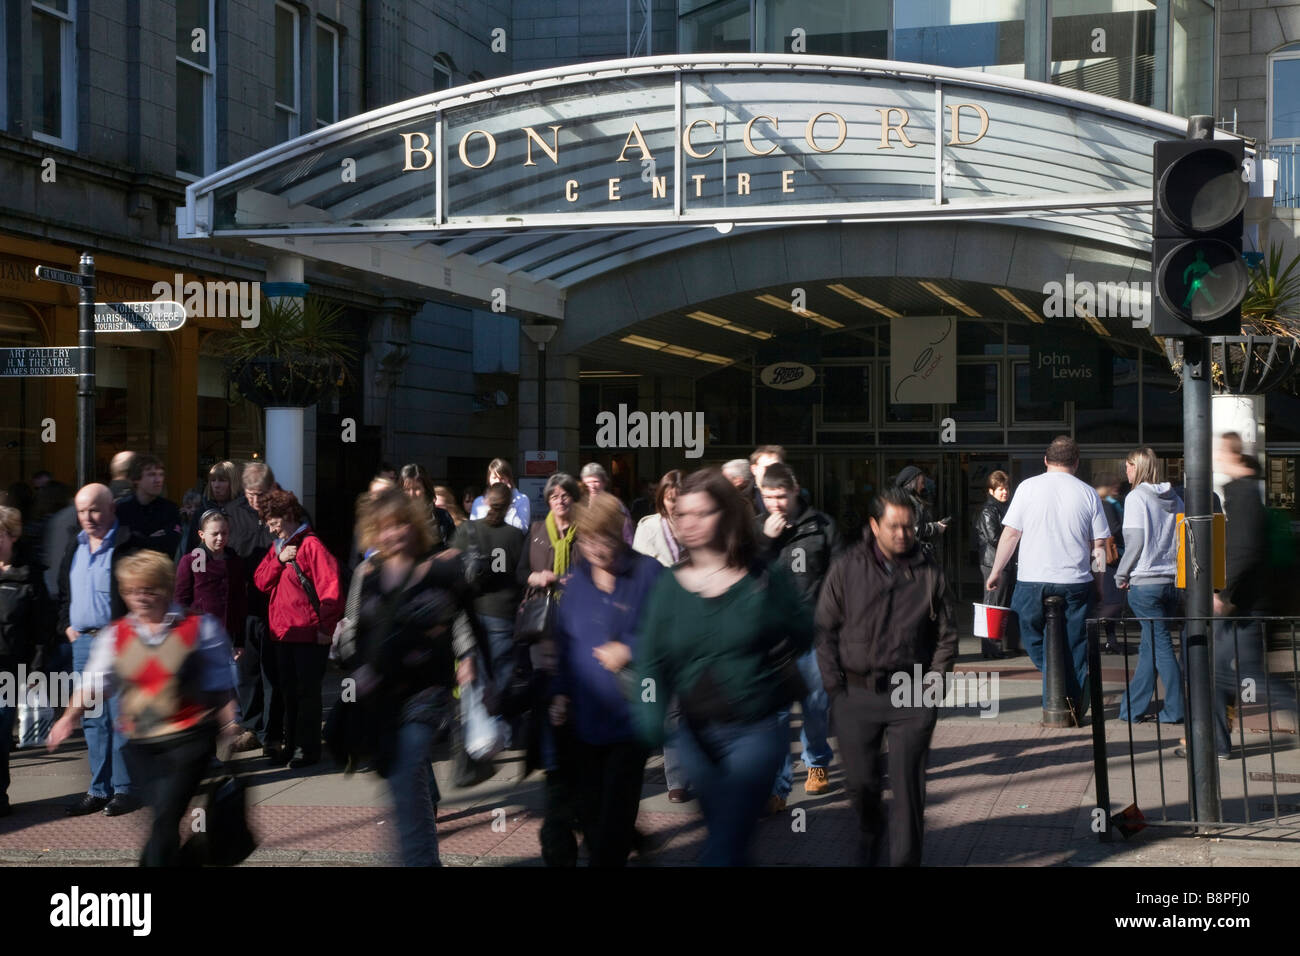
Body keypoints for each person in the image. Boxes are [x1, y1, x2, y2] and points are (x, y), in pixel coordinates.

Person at [634, 468, 813, 866]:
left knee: (727, 840)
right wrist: (649, 722)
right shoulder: (669, 587)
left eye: (703, 513)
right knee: (727, 834)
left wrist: (776, 626)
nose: (690, 524)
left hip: (756, 729)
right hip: (695, 736)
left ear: (727, 515)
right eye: (682, 515)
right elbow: (651, 659)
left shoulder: (762, 576)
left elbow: (803, 631)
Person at [48, 550, 239, 866]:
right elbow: (93, 682)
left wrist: (230, 723)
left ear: (165, 588)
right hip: (140, 746)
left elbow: (221, 681)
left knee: (165, 817)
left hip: (188, 741)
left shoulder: (199, 627)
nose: (141, 598)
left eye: (149, 589)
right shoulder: (115, 635)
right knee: (161, 820)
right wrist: (68, 718)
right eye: (133, 591)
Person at [817, 485, 957, 866]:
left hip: (911, 695)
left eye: (909, 527)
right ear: (874, 525)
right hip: (856, 693)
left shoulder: (929, 572)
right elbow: (825, 630)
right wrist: (835, 688)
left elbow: (947, 635)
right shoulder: (847, 568)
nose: (902, 534)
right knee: (862, 785)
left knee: (908, 788)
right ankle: (869, 834)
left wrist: (933, 684)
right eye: (894, 526)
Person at [348, 489, 483, 866]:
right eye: (386, 527)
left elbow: (462, 619)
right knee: (406, 782)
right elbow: (357, 632)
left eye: (402, 523)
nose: (395, 533)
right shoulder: (369, 574)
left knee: (407, 771)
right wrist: (359, 667)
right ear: (374, 532)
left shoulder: (440, 568)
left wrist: (468, 656)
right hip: (384, 698)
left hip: (428, 693)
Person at [549, 493, 663, 866]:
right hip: (584, 718)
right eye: (588, 540)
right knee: (591, 813)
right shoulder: (578, 581)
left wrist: (630, 649)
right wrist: (560, 693)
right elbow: (565, 643)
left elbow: (671, 631)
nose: (597, 549)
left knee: (615, 814)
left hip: (631, 717)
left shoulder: (648, 573)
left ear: (621, 536)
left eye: (605, 540)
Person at [985, 437, 1109, 722]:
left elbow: (1011, 534)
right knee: (1075, 643)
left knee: (1030, 631)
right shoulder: (1088, 493)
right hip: (1076, 580)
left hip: (1032, 579)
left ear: (1045, 459)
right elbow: (1099, 544)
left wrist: (996, 571)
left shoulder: (1028, 488)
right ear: (1076, 462)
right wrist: (1099, 584)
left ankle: (1054, 680)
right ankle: (1073, 702)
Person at [56, 484, 145, 816]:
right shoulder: (74, 547)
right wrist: (67, 625)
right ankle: (99, 788)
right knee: (93, 719)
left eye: (94, 509)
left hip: (120, 642)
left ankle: (125, 789)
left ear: (111, 509)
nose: (87, 517)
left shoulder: (126, 545)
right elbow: (64, 593)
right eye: (81, 511)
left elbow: (142, 591)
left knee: (121, 716)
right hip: (83, 644)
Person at [756, 463, 840, 811]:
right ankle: (778, 785)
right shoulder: (755, 530)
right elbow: (744, 575)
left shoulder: (821, 526)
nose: (775, 503)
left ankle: (816, 763)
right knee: (775, 716)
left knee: (815, 707)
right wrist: (766, 541)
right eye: (768, 496)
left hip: (813, 636)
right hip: (772, 639)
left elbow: (840, 579)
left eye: (781, 496)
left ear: (795, 491)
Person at [518, 471, 582, 865]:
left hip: (575, 626)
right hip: (543, 627)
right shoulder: (538, 531)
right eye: (554, 495)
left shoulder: (585, 532)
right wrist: (536, 575)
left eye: (565, 495)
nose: (560, 501)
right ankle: (553, 759)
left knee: (570, 693)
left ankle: (563, 762)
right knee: (546, 691)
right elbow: (517, 572)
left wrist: (580, 580)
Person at [253, 490, 342, 768]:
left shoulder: (311, 545)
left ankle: (307, 748)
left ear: (288, 516)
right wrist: (279, 562)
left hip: (307, 634)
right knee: (289, 693)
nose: (269, 526)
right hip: (283, 634)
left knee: (306, 694)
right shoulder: (280, 547)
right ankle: (291, 745)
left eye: (272, 519)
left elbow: (332, 590)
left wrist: (326, 628)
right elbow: (260, 582)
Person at [452, 482, 525, 750]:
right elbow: (521, 577)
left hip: (471, 616)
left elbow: (451, 568)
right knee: (502, 677)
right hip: (504, 616)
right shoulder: (516, 536)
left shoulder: (466, 531)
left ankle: (476, 733)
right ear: (508, 507)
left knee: (475, 679)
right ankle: (498, 730)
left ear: (484, 501)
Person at [631, 469, 689, 801]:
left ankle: (685, 769)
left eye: (680, 497)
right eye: (670, 498)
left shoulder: (698, 522)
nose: (675, 504)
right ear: (662, 498)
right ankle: (676, 777)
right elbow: (638, 573)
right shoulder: (649, 527)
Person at [1114, 448, 1184, 725]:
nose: (1126, 471)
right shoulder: (1175, 498)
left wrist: (1121, 574)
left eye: (1128, 466)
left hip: (1144, 583)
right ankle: (1131, 709)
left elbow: (1135, 541)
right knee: (1150, 647)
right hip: (1170, 581)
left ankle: (1176, 708)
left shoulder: (1136, 497)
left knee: (1162, 646)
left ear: (1138, 467)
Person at [0, 505, 54, 816]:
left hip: (9, 669)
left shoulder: (29, 573)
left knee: (0, 733)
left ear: (11, 535)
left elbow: (42, 628)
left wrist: (35, 670)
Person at [174, 510, 249, 718]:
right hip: (199, 640)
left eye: (224, 533)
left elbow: (240, 602)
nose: (220, 538)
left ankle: (229, 735)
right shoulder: (190, 561)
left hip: (227, 640)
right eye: (214, 533)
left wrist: (240, 640)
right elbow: (181, 601)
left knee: (231, 697)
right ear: (201, 535)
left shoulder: (234, 560)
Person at [230, 462, 279, 755]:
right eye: (250, 494)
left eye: (260, 494)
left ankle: (272, 731)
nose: (255, 501)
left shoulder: (287, 509)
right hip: (245, 606)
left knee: (274, 674)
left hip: (277, 607)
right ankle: (252, 727)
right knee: (247, 671)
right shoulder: (234, 515)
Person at [976, 470, 1015, 659]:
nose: (1004, 492)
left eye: (1006, 488)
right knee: (993, 605)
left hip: (1000, 562)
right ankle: (991, 648)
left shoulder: (1003, 508)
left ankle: (995, 646)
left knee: (998, 604)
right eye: (1000, 489)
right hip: (993, 563)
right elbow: (994, 538)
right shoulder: (988, 510)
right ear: (991, 491)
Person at [113, 454, 182, 558]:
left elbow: (170, 546)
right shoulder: (121, 509)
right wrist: (151, 540)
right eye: (151, 474)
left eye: (161, 474)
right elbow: (120, 547)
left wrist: (135, 538)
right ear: (136, 479)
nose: (158, 480)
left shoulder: (170, 509)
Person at [1093, 473, 1126, 653]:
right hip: (1110, 559)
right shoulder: (1106, 505)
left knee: (1107, 600)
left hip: (1099, 557)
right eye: (1112, 485)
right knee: (1113, 601)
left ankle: (1111, 641)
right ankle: (1093, 630)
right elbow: (1113, 529)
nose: (1116, 488)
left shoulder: (1101, 504)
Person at [894, 465, 948, 557]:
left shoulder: (907, 499)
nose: (923, 486)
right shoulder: (909, 502)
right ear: (913, 483)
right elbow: (915, 529)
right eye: (922, 482)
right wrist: (936, 527)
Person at [400, 463, 456, 547]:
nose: (412, 494)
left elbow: (454, 547)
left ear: (425, 489)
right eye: (407, 489)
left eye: (417, 488)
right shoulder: (396, 518)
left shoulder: (442, 516)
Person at [579, 463, 634, 545]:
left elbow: (627, 535)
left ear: (604, 483)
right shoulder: (579, 504)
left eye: (595, 481)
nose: (592, 486)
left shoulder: (615, 505)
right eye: (588, 482)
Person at [470, 459, 530, 532]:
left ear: (509, 479)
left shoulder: (522, 499)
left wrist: (509, 501)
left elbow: (522, 530)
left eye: (502, 478)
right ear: (488, 479)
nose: (498, 481)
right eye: (494, 478)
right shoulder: (479, 501)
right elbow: (473, 529)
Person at [749, 445, 785, 516]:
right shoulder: (740, 500)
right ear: (754, 469)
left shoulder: (795, 496)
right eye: (767, 468)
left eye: (777, 467)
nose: (773, 471)